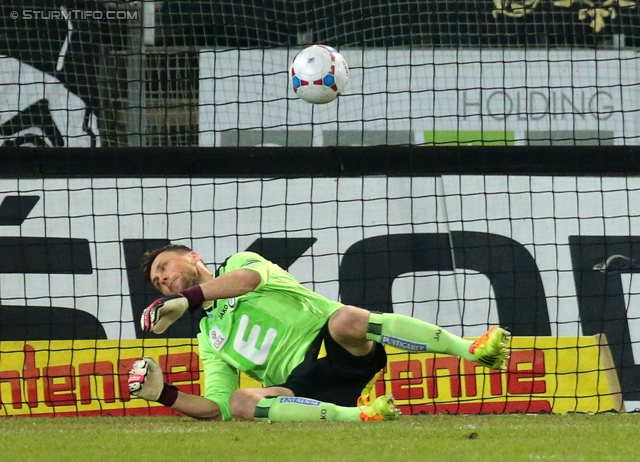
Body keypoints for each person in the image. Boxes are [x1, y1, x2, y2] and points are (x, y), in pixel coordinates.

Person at [128, 244, 509, 422]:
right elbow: (219, 408)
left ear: (193, 257)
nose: (162, 279)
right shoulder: (209, 336)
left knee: (345, 319)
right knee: (245, 403)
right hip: (305, 384)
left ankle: (472, 350)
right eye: (158, 282)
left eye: (164, 266)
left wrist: (190, 298)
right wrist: (163, 394)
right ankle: (360, 416)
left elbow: (247, 281)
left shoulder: (240, 263)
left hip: (336, 343)